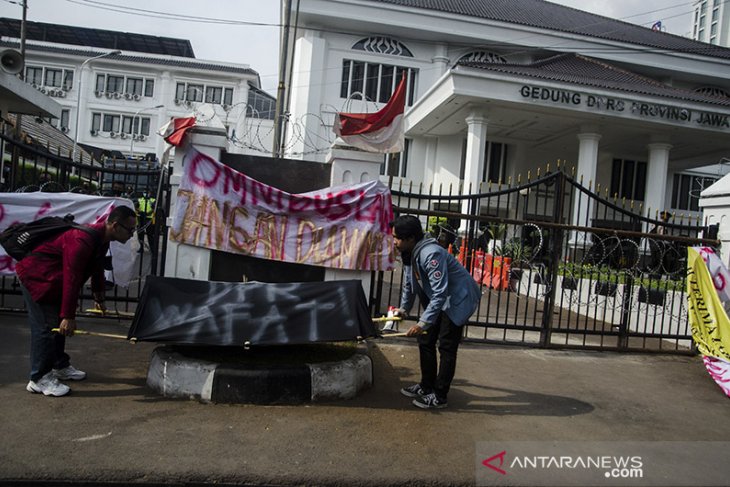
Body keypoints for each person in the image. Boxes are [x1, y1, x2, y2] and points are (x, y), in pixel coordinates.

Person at [16, 205, 137, 397]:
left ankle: (58, 365)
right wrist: (68, 316)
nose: (132, 234)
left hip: (52, 280)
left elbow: (96, 266)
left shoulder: (101, 238)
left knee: (55, 325)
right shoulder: (81, 240)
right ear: (115, 226)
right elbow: (72, 278)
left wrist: (99, 295)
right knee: (46, 328)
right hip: (37, 277)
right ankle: (39, 378)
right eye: (130, 229)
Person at [391, 215, 481, 409]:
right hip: (441, 299)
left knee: (447, 346)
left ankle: (439, 396)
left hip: (458, 299)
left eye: (397, 238)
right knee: (425, 340)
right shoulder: (410, 253)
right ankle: (426, 386)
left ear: (411, 238)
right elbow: (409, 283)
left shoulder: (431, 254)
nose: (394, 242)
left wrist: (422, 323)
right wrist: (404, 309)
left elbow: (440, 293)